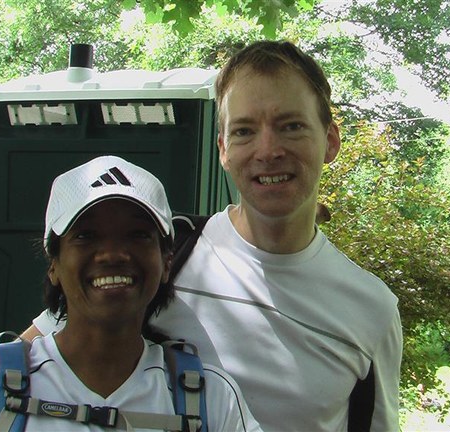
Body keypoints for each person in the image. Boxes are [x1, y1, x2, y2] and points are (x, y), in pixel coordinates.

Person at [26, 40, 403, 431]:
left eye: (291, 126)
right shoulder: (163, 255)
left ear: (331, 141)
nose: (268, 150)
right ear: (223, 149)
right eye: (244, 131)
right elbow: (22, 370)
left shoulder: (370, 310)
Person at [0, 155, 261, 431]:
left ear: (166, 263)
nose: (112, 254)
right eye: (85, 236)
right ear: (54, 265)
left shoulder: (213, 399)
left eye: (138, 235)